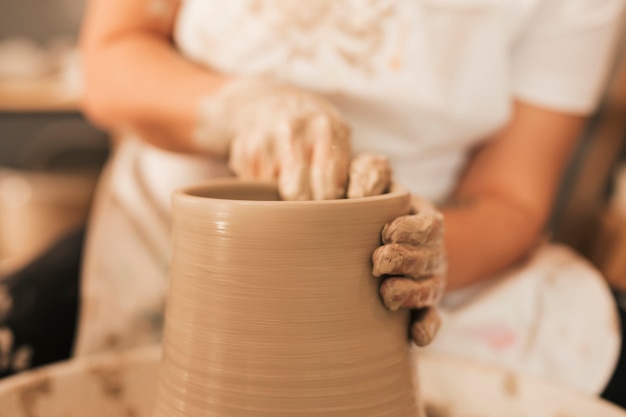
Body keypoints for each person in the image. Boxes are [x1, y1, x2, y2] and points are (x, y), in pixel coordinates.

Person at [75, 0, 624, 396]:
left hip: (407, 261)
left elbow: (512, 196)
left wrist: (431, 254)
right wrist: (237, 107)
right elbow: (110, 59)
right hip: (187, 251)